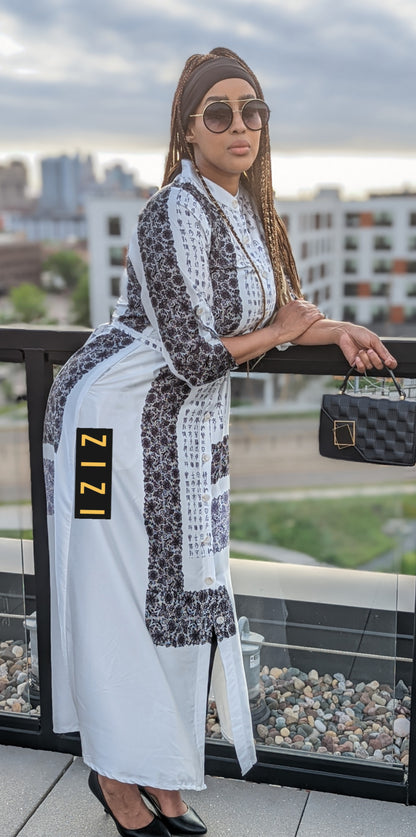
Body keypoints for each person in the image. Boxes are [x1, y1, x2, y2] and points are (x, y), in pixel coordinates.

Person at [43, 47, 397, 837]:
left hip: (180, 440)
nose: (241, 125)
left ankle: (165, 773)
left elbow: (281, 314)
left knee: (178, 610)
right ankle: (114, 774)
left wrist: (336, 330)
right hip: (105, 429)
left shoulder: (250, 213)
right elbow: (198, 352)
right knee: (113, 606)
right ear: (187, 129)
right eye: (220, 113)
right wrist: (282, 329)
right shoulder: (169, 210)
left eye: (253, 110)